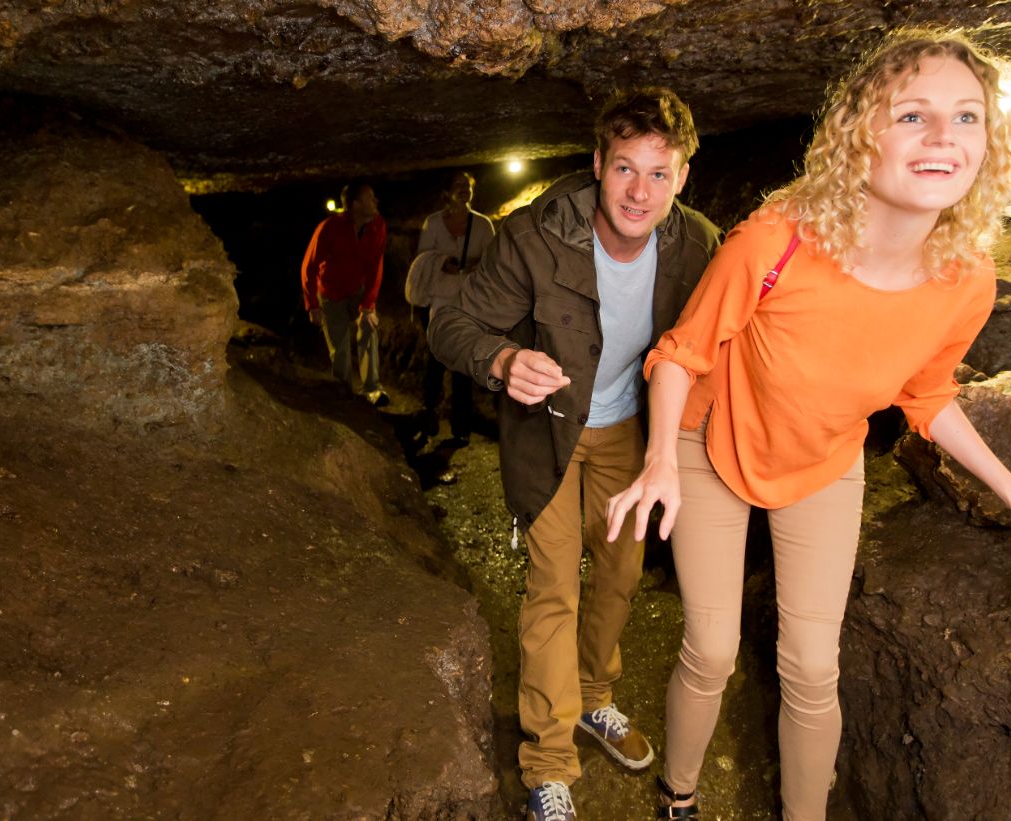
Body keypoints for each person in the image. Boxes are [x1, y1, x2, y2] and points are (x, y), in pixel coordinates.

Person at [603, 29, 1011, 821]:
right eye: (913, 116)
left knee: (812, 667)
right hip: (709, 442)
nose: (944, 138)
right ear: (861, 132)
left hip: (826, 460)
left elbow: (927, 396)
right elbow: (679, 355)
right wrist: (660, 458)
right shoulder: (776, 240)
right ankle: (678, 797)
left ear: (993, 142)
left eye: (968, 118)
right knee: (714, 649)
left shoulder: (967, 278)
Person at [429, 88, 720, 821]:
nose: (639, 191)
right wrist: (499, 360)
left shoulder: (699, 246)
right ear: (598, 165)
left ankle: (595, 698)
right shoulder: (534, 235)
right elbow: (449, 322)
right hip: (550, 431)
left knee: (620, 574)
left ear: (682, 177)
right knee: (553, 587)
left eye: (659, 173)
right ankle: (548, 763)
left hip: (632, 435)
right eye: (625, 169)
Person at [410, 170, 495, 444]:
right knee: (435, 360)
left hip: (469, 303)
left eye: (467, 185)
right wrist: (441, 262)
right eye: (458, 185)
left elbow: (494, 262)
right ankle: (428, 416)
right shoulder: (433, 223)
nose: (463, 189)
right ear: (447, 192)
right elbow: (422, 260)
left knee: (463, 364)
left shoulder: (482, 226)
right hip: (440, 301)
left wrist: (476, 265)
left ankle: (461, 428)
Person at [301, 180, 389, 406]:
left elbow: (375, 266)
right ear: (356, 204)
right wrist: (312, 305)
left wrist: (368, 304)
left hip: (357, 289)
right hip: (330, 294)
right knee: (339, 348)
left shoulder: (378, 225)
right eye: (370, 198)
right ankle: (344, 394)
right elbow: (309, 266)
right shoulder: (329, 227)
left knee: (369, 328)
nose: (375, 201)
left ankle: (372, 389)